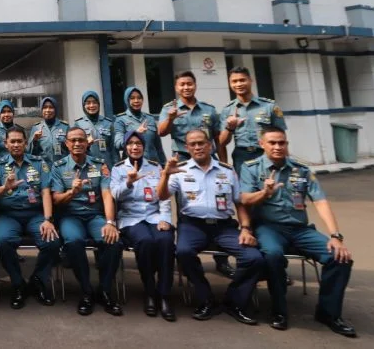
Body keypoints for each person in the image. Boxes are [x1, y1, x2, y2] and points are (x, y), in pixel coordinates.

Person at [239, 127, 356, 336]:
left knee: (340, 258)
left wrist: (336, 236)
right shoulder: (251, 168)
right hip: (268, 228)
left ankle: (329, 313)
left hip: (300, 229)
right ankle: (279, 311)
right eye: (272, 143)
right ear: (262, 144)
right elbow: (243, 200)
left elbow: (320, 202)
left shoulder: (301, 170)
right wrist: (264, 193)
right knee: (272, 255)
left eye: (281, 143)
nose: (277, 147)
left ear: (286, 144)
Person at [158, 128, 263, 325]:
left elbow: (239, 202)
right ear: (187, 148)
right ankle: (205, 298)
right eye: (193, 144)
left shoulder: (227, 170)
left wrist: (246, 228)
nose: (197, 147)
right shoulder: (179, 171)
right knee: (183, 252)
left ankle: (235, 301)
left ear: (210, 145)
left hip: (224, 226)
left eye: (201, 143)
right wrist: (165, 175)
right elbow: (162, 196)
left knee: (254, 257)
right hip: (192, 225)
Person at [158, 70, 232, 278]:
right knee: (185, 208)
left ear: (195, 85)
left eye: (189, 84)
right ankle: (186, 257)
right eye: (182, 84)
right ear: (176, 87)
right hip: (182, 163)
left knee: (220, 204)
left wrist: (224, 163)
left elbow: (219, 139)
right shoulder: (169, 109)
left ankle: (221, 258)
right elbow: (161, 131)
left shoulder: (208, 110)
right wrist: (171, 118)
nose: (186, 88)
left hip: (210, 162)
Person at [50, 126, 123, 316]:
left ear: (87, 143)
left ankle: (105, 290)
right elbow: (56, 199)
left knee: (114, 241)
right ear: (66, 144)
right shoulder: (59, 168)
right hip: (70, 216)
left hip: (94, 216)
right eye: (73, 140)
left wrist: (110, 222)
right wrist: (71, 192)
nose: (77, 144)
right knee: (74, 242)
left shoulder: (99, 165)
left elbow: (107, 195)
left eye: (81, 140)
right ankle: (86, 290)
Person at [0, 125, 61, 308]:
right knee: (2, 241)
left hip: (35, 214)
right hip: (8, 216)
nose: (16, 145)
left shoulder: (38, 163)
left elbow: (45, 193)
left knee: (52, 241)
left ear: (26, 143)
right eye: (13, 141)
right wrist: (5, 188)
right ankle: (18, 283)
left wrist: (48, 220)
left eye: (20, 141)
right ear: (6, 144)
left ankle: (38, 280)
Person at [110, 129, 176, 321]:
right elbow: (114, 196)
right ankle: (149, 291)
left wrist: (165, 219)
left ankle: (164, 294)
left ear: (144, 147)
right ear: (125, 147)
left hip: (155, 216)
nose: (135, 147)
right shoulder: (118, 169)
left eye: (138, 143)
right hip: (131, 219)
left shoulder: (155, 167)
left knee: (165, 241)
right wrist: (128, 183)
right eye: (130, 144)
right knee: (145, 242)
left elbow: (163, 196)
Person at [218, 67, 287, 174]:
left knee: (271, 187)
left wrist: (285, 160)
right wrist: (230, 128)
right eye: (234, 81)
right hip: (241, 157)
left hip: (267, 154)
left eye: (242, 80)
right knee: (244, 190)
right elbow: (222, 142)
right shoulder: (228, 110)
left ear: (250, 80)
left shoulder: (269, 106)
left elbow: (281, 136)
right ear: (230, 84)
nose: (239, 84)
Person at [113, 86, 166, 164]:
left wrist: (163, 164)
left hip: (152, 164)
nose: (136, 101)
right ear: (127, 100)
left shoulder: (150, 118)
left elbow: (158, 146)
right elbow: (118, 144)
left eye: (139, 98)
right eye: (132, 98)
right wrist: (136, 133)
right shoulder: (121, 120)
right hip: (132, 165)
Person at [72, 90, 117, 167]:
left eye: (94, 102)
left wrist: (116, 166)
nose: (92, 105)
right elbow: (74, 149)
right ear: (83, 105)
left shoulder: (108, 123)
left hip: (106, 167)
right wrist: (86, 144)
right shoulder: (78, 124)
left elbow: (114, 150)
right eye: (88, 103)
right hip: (87, 166)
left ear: (98, 104)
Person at [27, 96, 70, 164]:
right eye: (45, 107)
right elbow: (30, 152)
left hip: (62, 167)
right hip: (44, 168)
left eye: (51, 107)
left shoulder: (65, 127)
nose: (48, 110)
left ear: (55, 109)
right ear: (42, 110)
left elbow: (71, 149)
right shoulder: (36, 128)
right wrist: (34, 140)